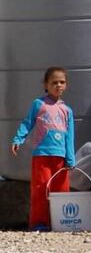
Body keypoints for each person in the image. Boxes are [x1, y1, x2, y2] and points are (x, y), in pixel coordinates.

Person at [11, 67, 75, 231]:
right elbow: (27, 123)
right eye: (54, 82)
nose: (58, 85)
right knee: (41, 189)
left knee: (61, 189)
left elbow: (69, 136)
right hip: (42, 155)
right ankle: (39, 222)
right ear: (46, 85)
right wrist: (18, 138)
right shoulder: (38, 104)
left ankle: (61, 221)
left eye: (62, 82)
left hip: (60, 158)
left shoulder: (67, 110)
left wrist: (70, 158)